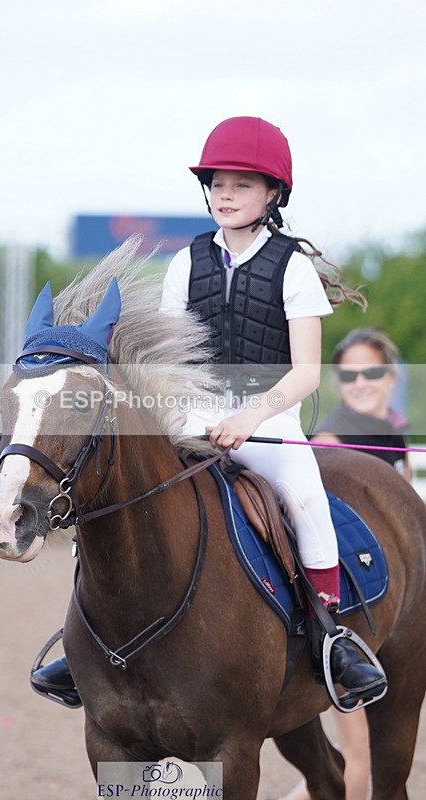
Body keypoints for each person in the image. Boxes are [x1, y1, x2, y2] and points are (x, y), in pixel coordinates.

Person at [31, 116, 387, 709]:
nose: (226, 194)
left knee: (304, 498)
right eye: (218, 183)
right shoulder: (185, 262)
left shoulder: (292, 266)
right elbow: (169, 359)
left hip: (269, 417)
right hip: (191, 410)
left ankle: (331, 635)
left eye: (243, 185)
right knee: (117, 481)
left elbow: (305, 373)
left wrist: (249, 419)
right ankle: (87, 637)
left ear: (273, 194)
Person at [275, 327, 411, 800]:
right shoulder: (332, 439)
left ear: (391, 377)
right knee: (357, 756)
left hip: (387, 605)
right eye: (349, 375)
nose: (360, 383)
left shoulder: (393, 430)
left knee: (347, 759)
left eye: (371, 371)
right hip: (349, 606)